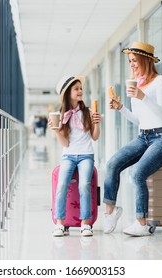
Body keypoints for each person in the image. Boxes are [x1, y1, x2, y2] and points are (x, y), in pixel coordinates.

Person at [103, 42, 162, 237]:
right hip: (143, 136)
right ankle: (110, 212)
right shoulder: (137, 84)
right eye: (130, 61)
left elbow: (161, 114)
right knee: (112, 164)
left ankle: (141, 223)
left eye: (134, 60)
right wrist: (121, 108)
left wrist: (142, 96)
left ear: (146, 60)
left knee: (136, 174)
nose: (132, 65)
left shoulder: (161, 81)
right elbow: (139, 120)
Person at [49, 75, 101, 237]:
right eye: (76, 89)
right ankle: (59, 223)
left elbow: (95, 137)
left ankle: (86, 223)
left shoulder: (88, 112)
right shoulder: (61, 115)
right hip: (68, 156)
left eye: (81, 89)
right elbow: (65, 144)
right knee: (62, 185)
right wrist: (56, 130)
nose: (80, 91)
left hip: (86, 155)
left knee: (84, 184)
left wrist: (97, 124)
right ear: (67, 93)